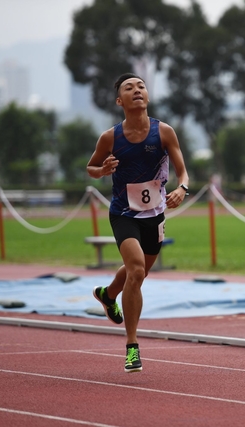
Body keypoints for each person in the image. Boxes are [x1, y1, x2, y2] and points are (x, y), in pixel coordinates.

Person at [86, 73, 189, 373]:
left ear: (147, 96)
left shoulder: (164, 132)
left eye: (141, 86)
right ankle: (132, 347)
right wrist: (102, 170)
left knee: (138, 274)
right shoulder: (110, 137)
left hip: (154, 216)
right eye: (129, 88)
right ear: (120, 100)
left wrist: (182, 189)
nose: (137, 91)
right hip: (124, 214)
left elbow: (183, 172)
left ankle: (108, 294)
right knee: (137, 270)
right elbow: (91, 167)